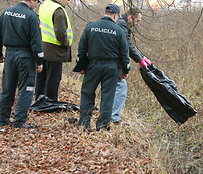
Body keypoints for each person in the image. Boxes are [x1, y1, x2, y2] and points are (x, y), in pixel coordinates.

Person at [73, 4, 130, 132]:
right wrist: (125, 71)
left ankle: (84, 124)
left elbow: (82, 50)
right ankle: (103, 127)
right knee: (107, 97)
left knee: (87, 94)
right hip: (111, 68)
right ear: (115, 16)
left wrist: (81, 66)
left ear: (105, 13)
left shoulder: (91, 27)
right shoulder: (119, 31)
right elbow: (124, 54)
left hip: (93, 65)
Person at [0, 0, 44, 128]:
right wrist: (39, 61)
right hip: (26, 56)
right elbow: (36, 41)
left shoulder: (6, 13)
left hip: (10, 55)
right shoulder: (32, 16)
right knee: (26, 89)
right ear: (31, 0)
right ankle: (19, 122)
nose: (36, 5)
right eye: (37, 2)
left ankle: (2, 119)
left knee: (7, 87)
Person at [111, 7, 152, 124]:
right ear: (131, 17)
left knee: (111, 87)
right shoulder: (122, 24)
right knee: (121, 87)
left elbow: (129, 44)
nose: (138, 24)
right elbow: (127, 45)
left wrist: (142, 57)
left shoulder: (120, 23)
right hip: (113, 62)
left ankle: (109, 114)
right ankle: (114, 117)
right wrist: (139, 60)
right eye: (137, 21)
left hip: (107, 61)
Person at [35, 0, 73, 101]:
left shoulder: (45, 5)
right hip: (55, 51)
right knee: (53, 79)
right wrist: (66, 44)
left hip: (42, 47)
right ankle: (50, 104)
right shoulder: (58, 10)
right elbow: (60, 32)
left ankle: (39, 101)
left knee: (41, 78)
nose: (69, 1)